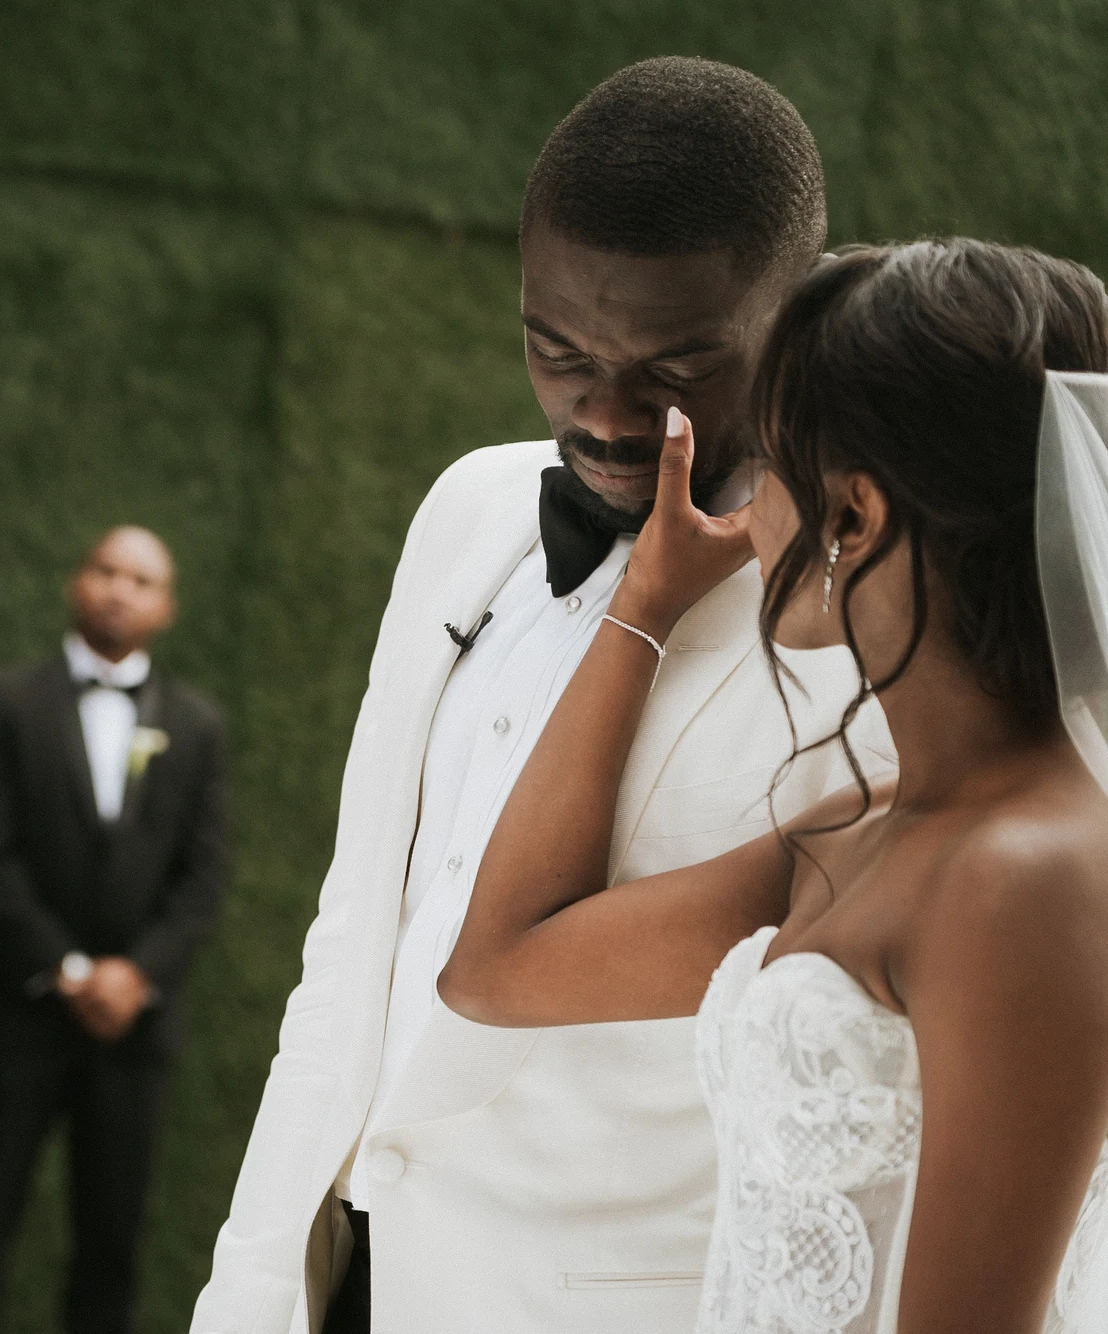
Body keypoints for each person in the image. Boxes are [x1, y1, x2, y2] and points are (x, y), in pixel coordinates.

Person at [194, 59, 893, 1332]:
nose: (606, 413)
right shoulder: (469, 508)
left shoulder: (865, 637)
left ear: (793, 320)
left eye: (674, 364)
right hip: (336, 1279)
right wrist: (249, 1283)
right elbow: (354, 930)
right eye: (554, 349)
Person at [440, 239, 1108, 1331]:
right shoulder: (854, 836)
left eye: (769, 467)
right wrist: (640, 608)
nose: (743, 510)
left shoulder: (1025, 873)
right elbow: (495, 965)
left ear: (852, 517)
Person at [0, 526, 231, 1334]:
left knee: (111, 1242)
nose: (118, 588)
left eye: (140, 579)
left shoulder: (197, 727)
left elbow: (202, 877)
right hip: (14, 1015)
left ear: (164, 608)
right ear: (76, 582)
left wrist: (135, 978)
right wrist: (65, 970)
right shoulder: (5, 703)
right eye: (105, 569)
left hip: (135, 1030)